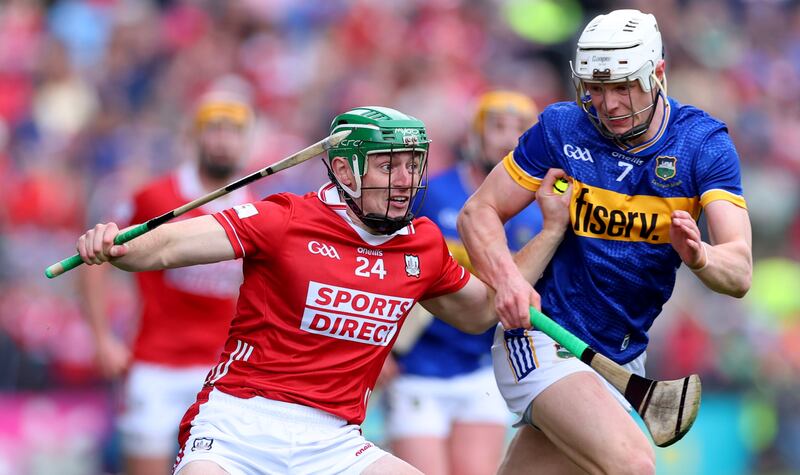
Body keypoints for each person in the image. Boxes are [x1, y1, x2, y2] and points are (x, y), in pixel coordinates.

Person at [76, 106, 571, 475]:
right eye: (388, 166)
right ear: (346, 169)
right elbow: (166, 247)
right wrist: (117, 246)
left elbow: (481, 312)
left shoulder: (421, 244)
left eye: (413, 165)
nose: (405, 181)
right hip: (238, 425)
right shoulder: (284, 218)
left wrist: (550, 231)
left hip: (335, 439)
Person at [458, 9, 752, 475]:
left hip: (620, 357)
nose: (608, 104)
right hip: (542, 338)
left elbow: (739, 272)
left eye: (622, 87)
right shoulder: (561, 129)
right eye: (595, 88)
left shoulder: (701, 145)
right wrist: (509, 280)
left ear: (657, 74)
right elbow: (478, 213)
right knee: (633, 464)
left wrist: (701, 256)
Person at [78, 89, 255, 475]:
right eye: (215, 128)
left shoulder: (254, 207)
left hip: (222, 371)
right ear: (194, 136)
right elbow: (94, 261)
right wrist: (102, 337)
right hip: (155, 363)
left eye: (234, 131)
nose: (223, 140)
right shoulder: (155, 197)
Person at [382, 91, 542, 475]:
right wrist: (381, 348)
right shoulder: (431, 193)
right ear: (474, 135)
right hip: (417, 364)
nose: (509, 139)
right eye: (498, 126)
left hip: (485, 366)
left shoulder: (539, 212)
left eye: (520, 129)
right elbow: (386, 266)